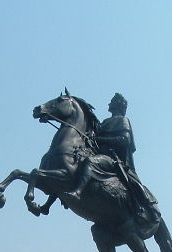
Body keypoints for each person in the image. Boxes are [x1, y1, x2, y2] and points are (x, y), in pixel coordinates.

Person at [65, 92, 160, 229]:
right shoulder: (104, 122)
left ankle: (77, 192)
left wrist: (99, 139)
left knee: (90, 162)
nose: (109, 104)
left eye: (112, 102)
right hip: (101, 155)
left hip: (114, 159)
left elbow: (124, 140)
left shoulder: (122, 120)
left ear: (118, 105)